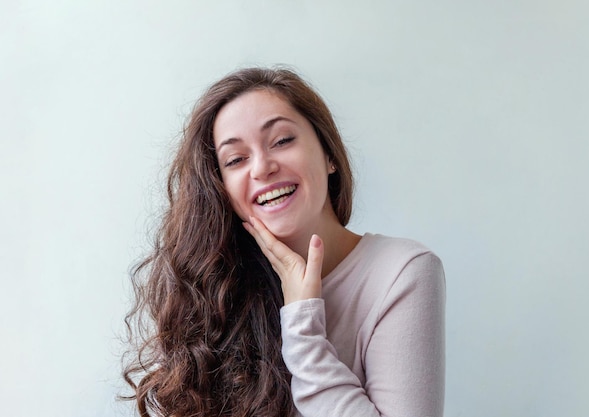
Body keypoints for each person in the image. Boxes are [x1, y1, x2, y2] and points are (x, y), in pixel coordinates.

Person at [123, 67, 446, 417]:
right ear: (222, 192)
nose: (262, 168)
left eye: (282, 141)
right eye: (236, 160)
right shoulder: (215, 293)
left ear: (330, 156)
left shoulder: (402, 272)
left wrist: (303, 325)